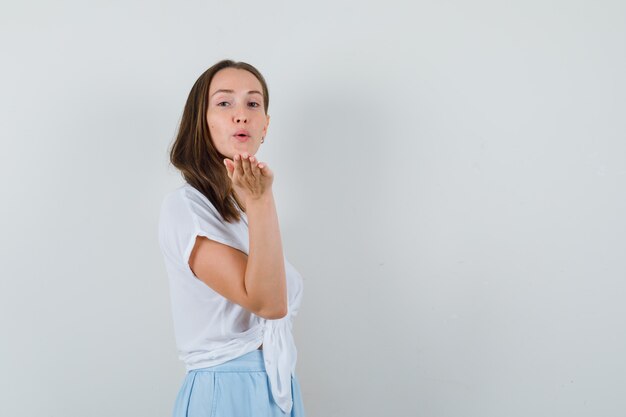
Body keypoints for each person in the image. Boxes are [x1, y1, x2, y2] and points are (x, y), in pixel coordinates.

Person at [158, 59, 306, 416]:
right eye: (225, 103)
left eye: (253, 104)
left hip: (276, 386)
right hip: (225, 391)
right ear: (201, 120)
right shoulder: (187, 208)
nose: (241, 115)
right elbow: (269, 303)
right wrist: (261, 201)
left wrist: (254, 204)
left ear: (266, 126)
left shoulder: (240, 212)